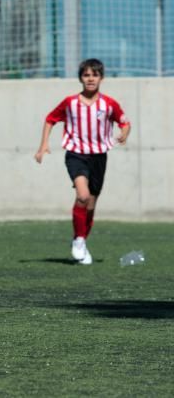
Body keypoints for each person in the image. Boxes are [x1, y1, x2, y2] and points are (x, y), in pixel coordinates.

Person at [34, 58, 130, 265]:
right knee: (83, 196)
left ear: (101, 78)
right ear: (81, 78)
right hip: (76, 155)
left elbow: (124, 121)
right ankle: (78, 240)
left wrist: (124, 133)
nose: (90, 79)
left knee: (91, 204)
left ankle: (82, 240)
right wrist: (43, 145)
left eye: (94, 75)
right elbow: (50, 119)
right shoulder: (70, 103)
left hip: (99, 157)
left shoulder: (109, 104)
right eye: (86, 75)